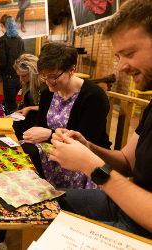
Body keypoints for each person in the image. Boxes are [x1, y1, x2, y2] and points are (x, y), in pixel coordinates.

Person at [48, 0, 152, 239]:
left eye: (129, 53)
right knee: (42, 201)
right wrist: (88, 147)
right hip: (127, 207)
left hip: (143, 229)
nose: (121, 66)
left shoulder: (92, 96)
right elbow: (127, 160)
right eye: (118, 56)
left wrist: (91, 166)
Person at [22, 42, 111, 189]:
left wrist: (48, 134)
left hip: (84, 158)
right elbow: (41, 126)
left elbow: (84, 142)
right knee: (23, 153)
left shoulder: (93, 96)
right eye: (43, 76)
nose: (48, 82)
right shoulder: (48, 92)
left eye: (52, 76)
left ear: (71, 69)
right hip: (55, 150)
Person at [12, 54, 46, 141]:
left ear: (34, 74)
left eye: (24, 76)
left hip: (40, 120)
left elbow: (48, 107)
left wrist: (29, 108)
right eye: (19, 76)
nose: (21, 79)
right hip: (29, 118)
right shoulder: (27, 83)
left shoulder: (46, 85)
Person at [0, 14, 25, 115]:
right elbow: (23, 60)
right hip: (20, 78)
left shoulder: (2, 41)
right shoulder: (20, 40)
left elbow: (2, 62)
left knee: (11, 108)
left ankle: (14, 128)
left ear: (2, 25)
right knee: (7, 102)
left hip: (8, 78)